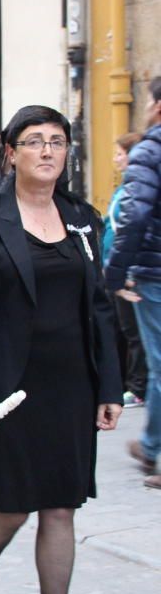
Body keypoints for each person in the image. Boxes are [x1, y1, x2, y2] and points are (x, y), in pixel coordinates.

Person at [0, 105, 123, 594]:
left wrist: (109, 385)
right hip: (5, 386)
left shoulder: (83, 218)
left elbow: (100, 306)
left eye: (57, 141)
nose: (47, 151)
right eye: (35, 141)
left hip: (71, 385)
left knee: (61, 508)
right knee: (11, 508)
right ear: (11, 154)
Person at [107, 76, 161, 491]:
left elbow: (135, 214)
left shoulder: (150, 150)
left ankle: (153, 446)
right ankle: (150, 444)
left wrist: (114, 271)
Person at [102, 132, 147, 409]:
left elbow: (132, 230)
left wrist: (126, 271)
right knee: (121, 329)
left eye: (120, 153)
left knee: (135, 331)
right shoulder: (125, 188)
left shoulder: (139, 188)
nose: (116, 159)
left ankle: (139, 386)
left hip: (129, 273)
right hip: (115, 270)